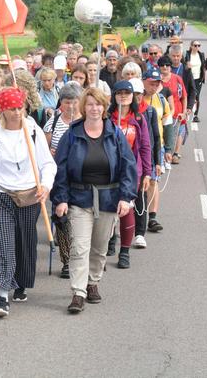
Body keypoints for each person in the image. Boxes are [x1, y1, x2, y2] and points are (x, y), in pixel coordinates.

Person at [51, 87, 137, 314]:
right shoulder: (72, 135)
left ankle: (93, 282)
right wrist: (60, 199)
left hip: (108, 199)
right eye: (89, 104)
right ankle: (78, 292)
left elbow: (128, 166)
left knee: (99, 248)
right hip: (79, 199)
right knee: (80, 247)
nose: (94, 109)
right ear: (83, 107)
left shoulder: (115, 134)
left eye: (98, 104)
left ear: (104, 107)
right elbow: (59, 169)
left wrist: (126, 197)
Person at [0, 87, 57, 317]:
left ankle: (20, 282)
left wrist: (46, 185)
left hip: (31, 196)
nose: (17, 113)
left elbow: (48, 164)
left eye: (20, 107)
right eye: (11, 109)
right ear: (2, 109)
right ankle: (2, 296)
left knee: (24, 241)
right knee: (5, 244)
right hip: (2, 195)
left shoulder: (33, 131)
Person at [106, 81, 151, 269]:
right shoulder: (107, 118)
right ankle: (108, 240)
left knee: (127, 209)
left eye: (127, 93)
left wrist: (147, 173)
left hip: (131, 172)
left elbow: (145, 147)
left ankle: (124, 251)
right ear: (114, 96)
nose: (123, 96)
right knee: (107, 210)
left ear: (133, 96)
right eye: (119, 93)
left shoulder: (138, 119)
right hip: (108, 171)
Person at [44, 85, 81, 279]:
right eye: (67, 102)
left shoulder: (85, 123)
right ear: (61, 103)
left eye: (75, 102)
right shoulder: (54, 122)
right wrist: (49, 152)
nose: (71, 106)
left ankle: (81, 258)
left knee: (80, 220)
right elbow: (44, 148)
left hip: (81, 179)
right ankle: (66, 260)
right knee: (62, 219)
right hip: (59, 178)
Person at [130, 78, 160, 249]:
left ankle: (140, 233)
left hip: (141, 162)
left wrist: (155, 162)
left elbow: (154, 138)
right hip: (125, 163)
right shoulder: (119, 114)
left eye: (139, 95)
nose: (136, 98)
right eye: (133, 95)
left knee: (141, 197)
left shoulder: (149, 112)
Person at [142, 68, 172, 234]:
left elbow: (167, 124)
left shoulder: (161, 100)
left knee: (154, 181)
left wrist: (168, 148)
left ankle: (152, 217)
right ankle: (139, 214)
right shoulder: (137, 99)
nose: (154, 86)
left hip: (156, 145)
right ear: (144, 81)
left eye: (157, 84)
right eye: (151, 83)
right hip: (139, 146)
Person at [157, 55, 186, 165]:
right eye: (162, 65)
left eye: (167, 65)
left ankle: (175, 154)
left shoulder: (177, 78)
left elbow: (184, 96)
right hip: (161, 114)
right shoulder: (156, 80)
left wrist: (184, 112)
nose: (165, 67)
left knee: (178, 133)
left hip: (176, 113)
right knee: (163, 136)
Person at [184, 40, 207, 122]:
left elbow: (204, 68)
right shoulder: (187, 55)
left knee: (196, 96)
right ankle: (185, 111)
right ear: (191, 46)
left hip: (198, 79)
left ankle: (196, 115)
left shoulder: (201, 55)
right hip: (189, 79)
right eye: (195, 45)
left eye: (199, 45)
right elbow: (183, 66)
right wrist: (187, 66)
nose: (197, 47)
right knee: (187, 95)